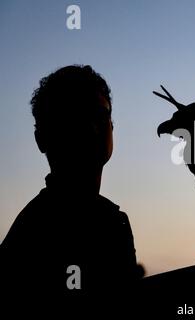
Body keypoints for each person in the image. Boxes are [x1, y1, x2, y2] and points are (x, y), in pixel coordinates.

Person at [0, 65, 141, 301]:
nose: (91, 128)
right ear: (41, 138)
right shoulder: (35, 232)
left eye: (100, 116)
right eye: (72, 117)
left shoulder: (113, 222)